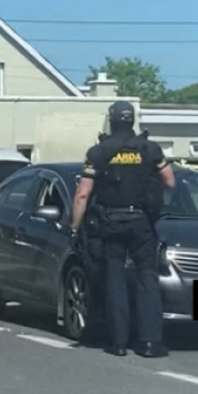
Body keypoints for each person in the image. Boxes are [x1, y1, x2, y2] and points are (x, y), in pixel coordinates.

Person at [71, 101, 175, 358]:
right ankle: (150, 342)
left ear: (112, 120)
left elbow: (83, 195)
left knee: (115, 278)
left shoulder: (98, 152)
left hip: (110, 222)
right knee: (146, 278)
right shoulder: (150, 149)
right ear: (132, 120)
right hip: (141, 221)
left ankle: (118, 342)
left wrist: (75, 227)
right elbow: (170, 182)